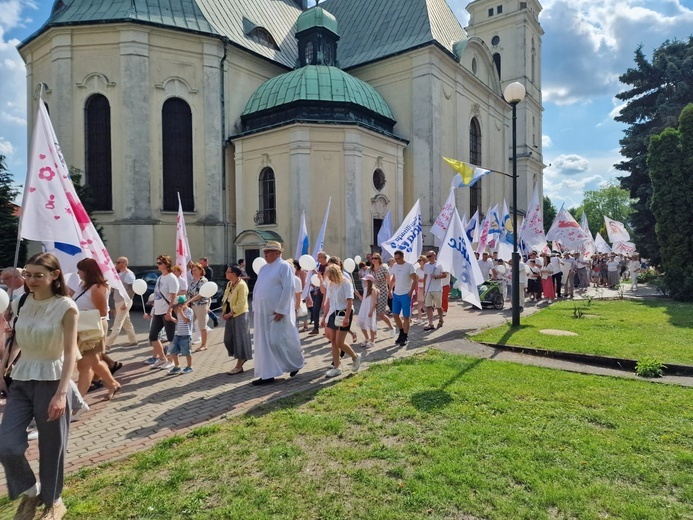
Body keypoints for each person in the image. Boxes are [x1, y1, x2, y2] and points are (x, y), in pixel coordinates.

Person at [0, 253, 78, 520]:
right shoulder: (21, 300)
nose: (30, 280)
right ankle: (31, 493)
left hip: (53, 379)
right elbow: (22, 336)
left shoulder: (66, 306)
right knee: (7, 445)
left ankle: (54, 501)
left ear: (54, 275)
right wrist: (5, 365)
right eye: (28, 275)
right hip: (22, 378)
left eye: (37, 275)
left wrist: (61, 393)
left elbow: (70, 353)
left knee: (51, 446)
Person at [251, 241, 304, 385]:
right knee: (264, 342)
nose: (266, 254)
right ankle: (268, 374)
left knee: (278, 341)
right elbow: (257, 288)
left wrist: (282, 309)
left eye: (269, 251)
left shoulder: (284, 267)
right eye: (265, 251)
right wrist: (255, 305)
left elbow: (288, 288)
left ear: (278, 253)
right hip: (262, 313)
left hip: (276, 313)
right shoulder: (263, 269)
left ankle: (296, 363)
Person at [71, 258, 121, 400]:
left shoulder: (98, 287)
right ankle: (112, 384)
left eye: (79, 270)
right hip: (81, 328)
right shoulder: (83, 285)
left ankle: (78, 402)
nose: (78, 272)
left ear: (87, 271)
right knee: (95, 362)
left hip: (92, 329)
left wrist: (78, 315)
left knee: (84, 366)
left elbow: (103, 312)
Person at [322, 265, 362, 377]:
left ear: (335, 274)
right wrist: (325, 317)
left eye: (331, 276)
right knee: (333, 341)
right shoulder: (331, 284)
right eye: (328, 277)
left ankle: (355, 357)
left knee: (339, 342)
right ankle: (337, 367)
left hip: (344, 313)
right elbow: (329, 301)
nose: (329, 279)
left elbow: (350, 301)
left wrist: (347, 317)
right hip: (333, 313)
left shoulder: (346, 283)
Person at [144, 255, 178, 370]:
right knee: (153, 336)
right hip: (158, 311)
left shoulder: (171, 278)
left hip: (167, 311)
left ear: (166, 264)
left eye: (160, 263)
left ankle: (172, 360)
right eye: (157, 263)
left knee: (170, 337)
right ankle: (162, 358)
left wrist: (170, 311)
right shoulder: (159, 278)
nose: (158, 265)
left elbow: (174, 296)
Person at [221, 264, 253, 375]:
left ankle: (239, 365)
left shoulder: (242, 285)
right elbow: (226, 298)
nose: (225, 273)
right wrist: (224, 311)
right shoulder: (230, 284)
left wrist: (230, 313)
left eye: (227, 272)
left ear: (233, 274)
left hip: (239, 314)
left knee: (240, 339)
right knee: (228, 339)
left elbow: (241, 303)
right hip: (230, 314)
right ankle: (240, 356)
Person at [104, 257, 138, 349]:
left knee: (117, 324)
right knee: (126, 323)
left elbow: (132, 289)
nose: (116, 264)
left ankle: (107, 345)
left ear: (124, 263)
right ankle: (133, 341)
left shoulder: (129, 275)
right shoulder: (120, 274)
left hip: (123, 302)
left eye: (118, 262)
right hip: (119, 301)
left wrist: (126, 302)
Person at [389, 250, 417, 346]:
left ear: (403, 256)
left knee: (406, 316)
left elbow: (415, 280)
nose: (397, 261)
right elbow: (393, 279)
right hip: (396, 294)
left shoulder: (409, 266)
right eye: (395, 259)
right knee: (395, 315)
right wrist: (390, 290)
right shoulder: (395, 266)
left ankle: (405, 336)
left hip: (406, 294)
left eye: (398, 259)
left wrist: (410, 292)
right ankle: (401, 332)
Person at [185, 263, 210, 352]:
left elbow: (201, 294)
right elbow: (189, 293)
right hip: (193, 306)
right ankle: (186, 344)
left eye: (196, 270)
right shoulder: (192, 281)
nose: (194, 272)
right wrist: (187, 302)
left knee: (202, 325)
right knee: (188, 324)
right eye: (193, 270)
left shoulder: (203, 281)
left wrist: (189, 301)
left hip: (201, 305)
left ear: (200, 271)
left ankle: (204, 345)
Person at [370, 253, 396, 337]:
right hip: (373, 292)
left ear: (379, 259)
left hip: (383, 292)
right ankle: (374, 332)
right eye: (372, 258)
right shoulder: (371, 269)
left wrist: (390, 291)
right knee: (373, 312)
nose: (373, 259)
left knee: (380, 313)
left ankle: (392, 328)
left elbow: (389, 281)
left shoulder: (384, 268)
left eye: (375, 258)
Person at [166, 296, 193, 375]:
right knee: (173, 351)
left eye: (181, 305)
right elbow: (178, 321)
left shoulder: (189, 311)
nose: (179, 307)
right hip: (178, 334)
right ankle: (177, 366)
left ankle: (189, 366)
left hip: (186, 335)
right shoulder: (178, 311)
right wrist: (171, 318)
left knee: (187, 352)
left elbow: (187, 320)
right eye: (178, 305)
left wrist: (181, 312)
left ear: (186, 304)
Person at [423, 251, 446, 331]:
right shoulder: (426, 265)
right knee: (428, 306)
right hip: (428, 289)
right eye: (427, 256)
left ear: (434, 255)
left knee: (438, 306)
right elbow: (425, 277)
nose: (428, 258)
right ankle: (431, 323)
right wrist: (424, 288)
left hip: (437, 289)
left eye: (430, 256)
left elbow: (445, 275)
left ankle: (441, 319)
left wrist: (436, 276)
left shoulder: (439, 264)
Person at [308, 251, 328, 335]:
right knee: (316, 309)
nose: (318, 259)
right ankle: (316, 328)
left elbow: (325, 279)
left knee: (327, 310)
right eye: (318, 257)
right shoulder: (321, 266)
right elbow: (320, 278)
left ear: (324, 258)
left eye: (320, 257)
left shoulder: (328, 267)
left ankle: (328, 330)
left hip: (327, 291)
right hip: (320, 289)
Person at [356, 274, 378, 348]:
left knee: (371, 325)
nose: (364, 282)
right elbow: (363, 300)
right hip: (364, 308)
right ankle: (367, 338)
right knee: (361, 323)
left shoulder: (373, 290)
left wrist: (371, 311)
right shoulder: (366, 289)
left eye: (365, 280)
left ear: (369, 281)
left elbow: (374, 302)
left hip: (369, 309)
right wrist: (358, 295)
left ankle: (372, 341)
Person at [199, 257, 219, 327]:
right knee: (205, 307)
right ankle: (214, 317)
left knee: (205, 306)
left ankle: (214, 318)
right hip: (202, 289)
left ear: (206, 262)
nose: (200, 264)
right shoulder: (202, 269)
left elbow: (208, 280)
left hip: (206, 289)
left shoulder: (209, 270)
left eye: (201, 263)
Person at [414, 256, 426, 324]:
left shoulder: (428, 268)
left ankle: (428, 318)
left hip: (427, 288)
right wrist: (418, 280)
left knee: (428, 304)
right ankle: (419, 318)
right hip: (420, 287)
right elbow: (415, 278)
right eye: (418, 260)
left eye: (420, 260)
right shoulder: (418, 269)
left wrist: (424, 280)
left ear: (424, 260)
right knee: (420, 303)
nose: (419, 262)